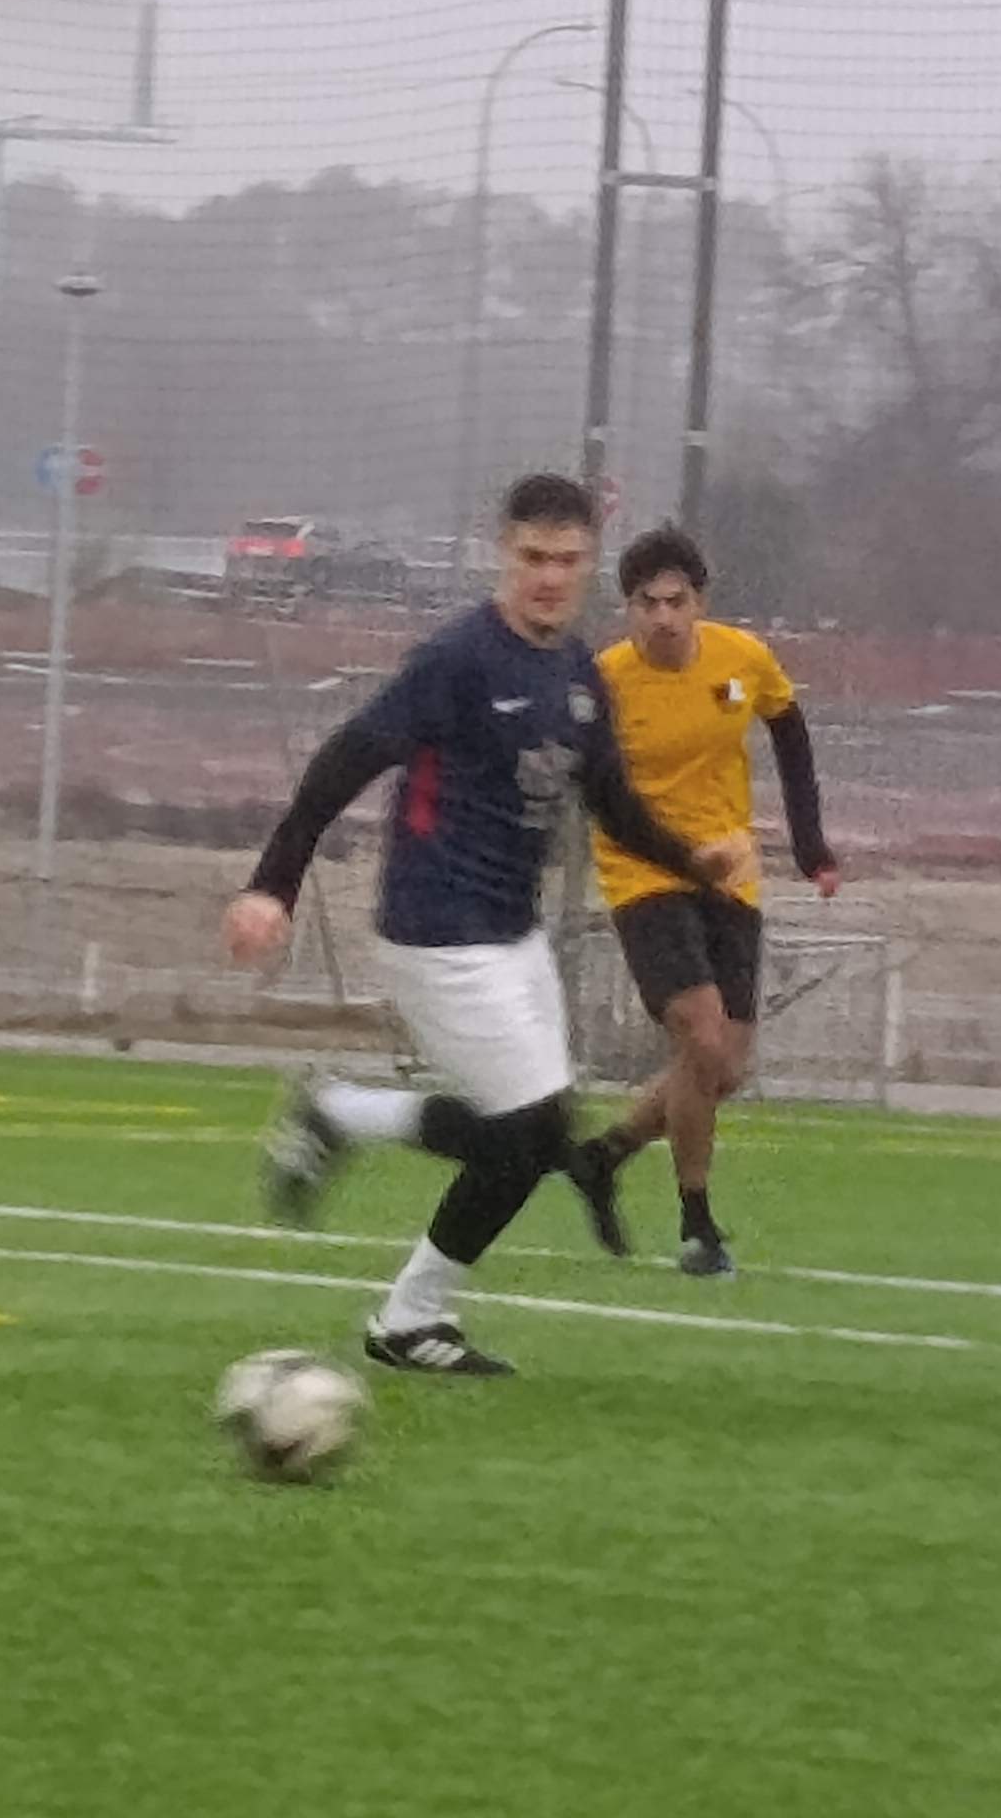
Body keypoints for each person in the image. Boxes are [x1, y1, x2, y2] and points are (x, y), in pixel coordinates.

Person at [221, 470, 758, 1379]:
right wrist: (272, 885)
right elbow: (344, 761)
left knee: (537, 1137)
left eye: (567, 559)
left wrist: (691, 861)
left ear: (588, 563)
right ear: (502, 553)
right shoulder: (457, 661)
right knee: (529, 1134)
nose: (549, 576)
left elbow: (613, 803)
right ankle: (407, 1307)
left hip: (511, 933)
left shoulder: (576, 674)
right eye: (533, 556)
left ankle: (344, 1129)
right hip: (435, 928)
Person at [566, 524, 837, 1278]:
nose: (662, 617)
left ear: (699, 602)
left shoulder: (742, 659)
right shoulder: (604, 681)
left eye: (675, 601)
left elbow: (790, 735)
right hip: (644, 875)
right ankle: (697, 1225)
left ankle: (604, 1155)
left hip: (730, 875)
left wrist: (811, 846)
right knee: (703, 1039)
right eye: (646, 603)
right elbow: (591, 786)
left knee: (725, 1068)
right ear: (627, 609)